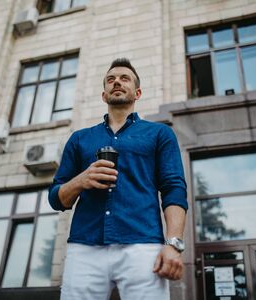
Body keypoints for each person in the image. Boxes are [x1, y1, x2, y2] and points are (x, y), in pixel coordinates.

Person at [49, 58, 188, 300]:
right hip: (85, 248)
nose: (117, 82)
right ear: (104, 95)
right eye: (111, 80)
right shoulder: (79, 139)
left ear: (137, 92)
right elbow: (56, 199)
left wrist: (173, 244)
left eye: (125, 78)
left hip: (143, 246)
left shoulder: (160, 134)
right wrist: (81, 180)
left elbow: (173, 189)